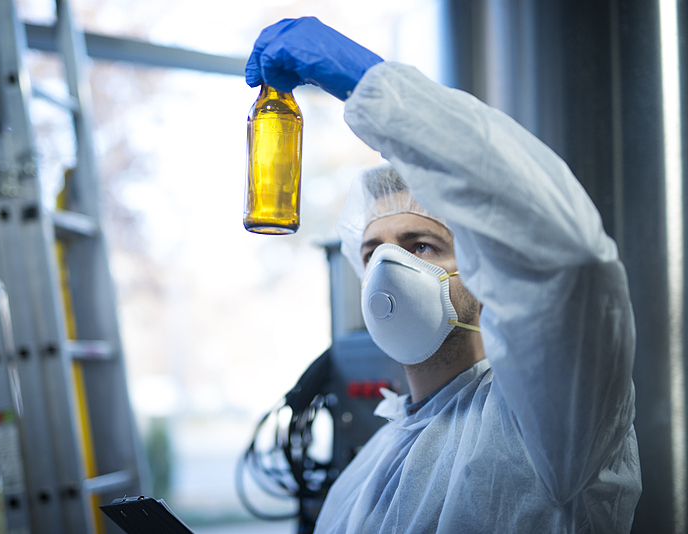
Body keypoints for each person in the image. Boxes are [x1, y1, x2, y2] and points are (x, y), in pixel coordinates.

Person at [246, 16, 642, 533]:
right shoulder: (369, 466)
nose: (389, 271)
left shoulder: (548, 425)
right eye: (372, 254)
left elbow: (566, 260)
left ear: (486, 270)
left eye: (422, 245)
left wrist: (374, 89)